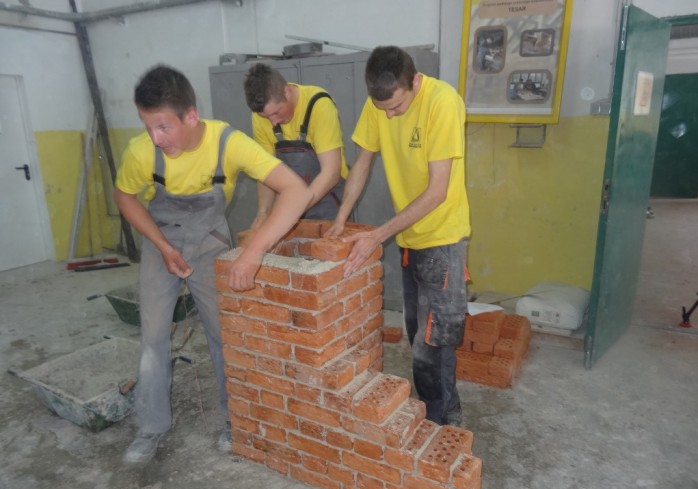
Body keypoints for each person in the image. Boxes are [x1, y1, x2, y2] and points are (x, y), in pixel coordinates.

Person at [114, 65, 312, 463]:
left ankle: (235, 420)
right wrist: (161, 246)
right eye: (148, 127)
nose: (155, 138)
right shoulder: (141, 151)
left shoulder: (228, 143)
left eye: (163, 127)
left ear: (191, 116)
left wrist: (253, 252)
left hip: (210, 242)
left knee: (223, 335)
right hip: (161, 240)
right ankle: (152, 426)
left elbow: (296, 190)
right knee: (153, 336)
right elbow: (125, 196)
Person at [325, 46, 471, 426]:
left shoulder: (442, 103)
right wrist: (340, 218)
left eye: (397, 107)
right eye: (383, 108)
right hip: (409, 239)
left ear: (415, 82)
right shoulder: (379, 103)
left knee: (434, 341)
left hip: (442, 237)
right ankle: (431, 409)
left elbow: (438, 191)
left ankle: (444, 421)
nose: (389, 115)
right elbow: (362, 162)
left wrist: (379, 234)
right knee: (415, 333)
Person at [243, 63, 348, 226]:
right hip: (290, 203)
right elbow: (266, 171)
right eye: (266, 117)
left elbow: (331, 173)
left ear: (287, 92)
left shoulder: (319, 105)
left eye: (276, 112)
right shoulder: (260, 115)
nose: (273, 122)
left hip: (330, 202)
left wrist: (293, 211)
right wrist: (264, 211)